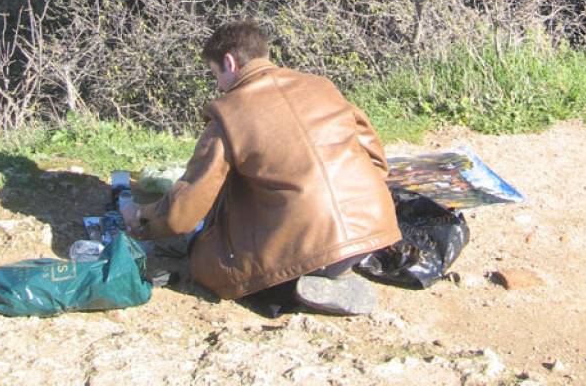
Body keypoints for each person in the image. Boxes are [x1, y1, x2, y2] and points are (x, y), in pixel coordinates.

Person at [121, 20, 401, 315]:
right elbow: (377, 162)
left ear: (229, 62)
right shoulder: (322, 86)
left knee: (207, 263)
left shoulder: (228, 115)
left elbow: (182, 214)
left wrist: (141, 217)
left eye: (216, 73)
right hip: (372, 227)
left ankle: (294, 285)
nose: (218, 85)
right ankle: (332, 270)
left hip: (308, 240)